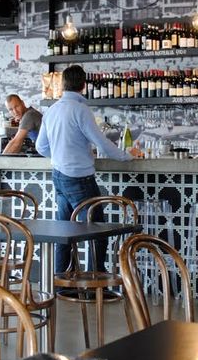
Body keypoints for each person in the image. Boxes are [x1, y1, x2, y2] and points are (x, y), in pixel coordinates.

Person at [34, 64, 141, 274]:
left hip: (58, 176)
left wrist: (59, 156)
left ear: (63, 84)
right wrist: (128, 156)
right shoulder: (81, 110)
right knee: (97, 233)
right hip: (79, 180)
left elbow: (40, 147)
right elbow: (102, 144)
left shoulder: (51, 110)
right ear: (84, 85)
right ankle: (95, 284)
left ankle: (61, 282)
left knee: (63, 233)